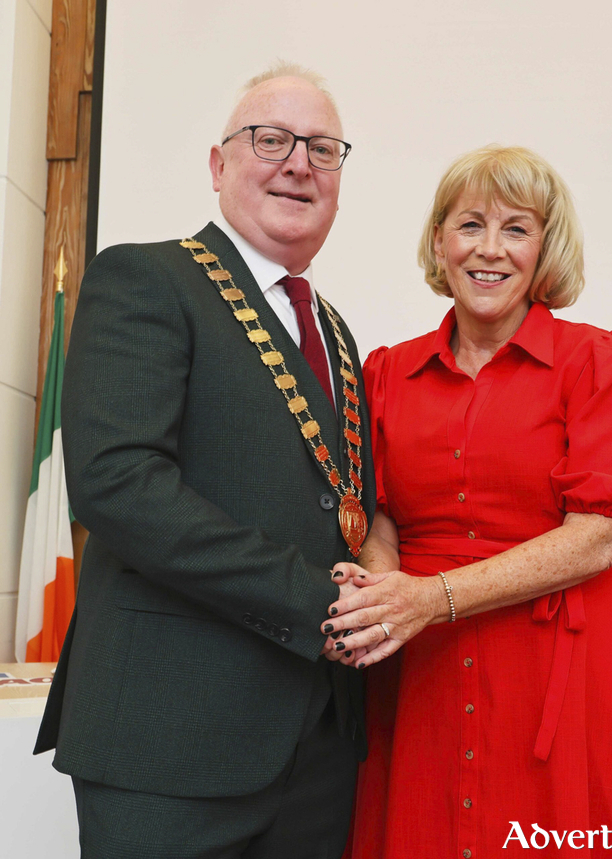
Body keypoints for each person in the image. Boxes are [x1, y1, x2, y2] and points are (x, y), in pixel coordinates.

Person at [33, 63, 375, 859]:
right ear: (219, 167)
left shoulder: (337, 331)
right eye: (271, 139)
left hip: (319, 740)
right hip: (169, 738)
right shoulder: (146, 278)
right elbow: (119, 485)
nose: (298, 162)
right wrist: (314, 599)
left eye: (322, 149)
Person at [324, 146, 612, 857]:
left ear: (545, 246)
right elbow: (377, 511)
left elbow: (597, 536)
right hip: (422, 674)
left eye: (516, 228)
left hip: (573, 669)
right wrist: (377, 581)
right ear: (440, 241)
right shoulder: (384, 373)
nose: (489, 249)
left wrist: (428, 597)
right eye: (469, 224)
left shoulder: (598, 362)